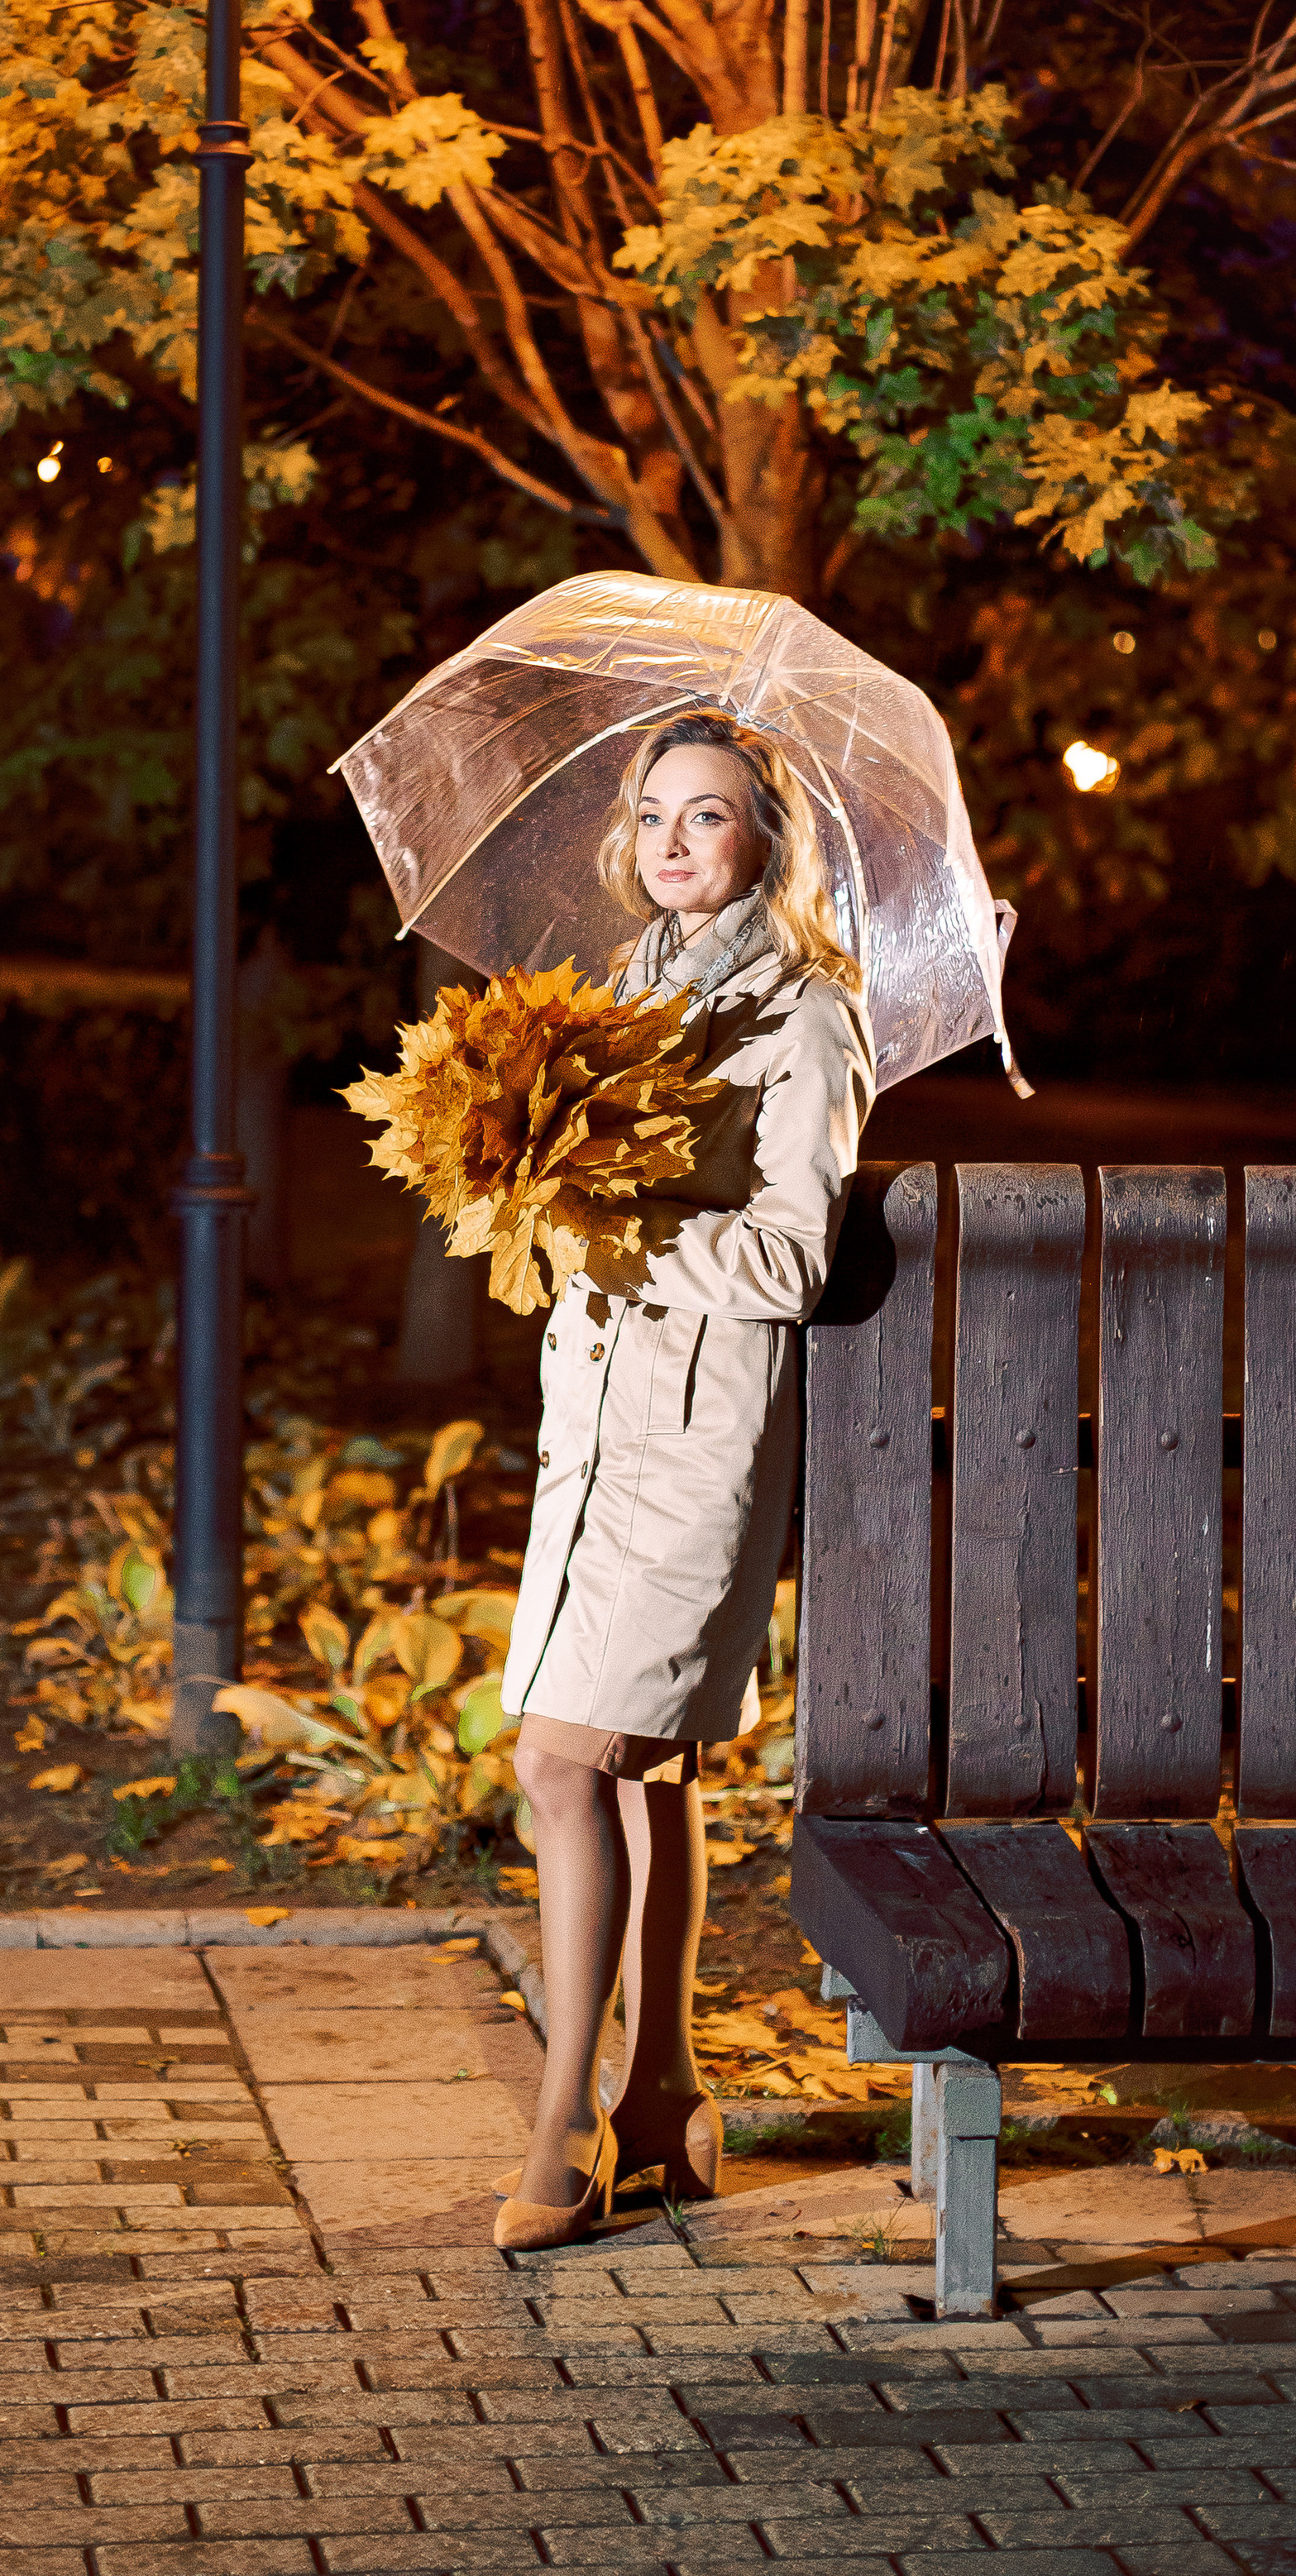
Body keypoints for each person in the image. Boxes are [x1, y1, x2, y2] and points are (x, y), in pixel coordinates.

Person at [493, 709, 875, 2253]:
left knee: (558, 1765)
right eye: (653, 812)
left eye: (708, 816)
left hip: (701, 1442)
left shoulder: (809, 1019)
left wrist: (618, 1221)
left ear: (766, 843)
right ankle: (661, 2098)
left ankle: (561, 2125)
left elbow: (791, 1257)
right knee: (642, 1771)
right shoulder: (627, 1003)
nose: (670, 840)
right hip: (590, 1436)